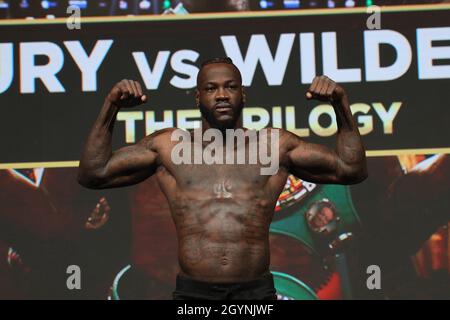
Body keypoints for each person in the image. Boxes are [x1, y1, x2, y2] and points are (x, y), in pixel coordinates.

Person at [77, 57, 367, 300]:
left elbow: (350, 169)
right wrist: (111, 106)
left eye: (230, 87)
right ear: (198, 96)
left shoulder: (273, 147)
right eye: (211, 88)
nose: (222, 95)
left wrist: (340, 103)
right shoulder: (171, 147)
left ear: (243, 94)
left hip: (254, 293)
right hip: (195, 295)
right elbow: (94, 173)